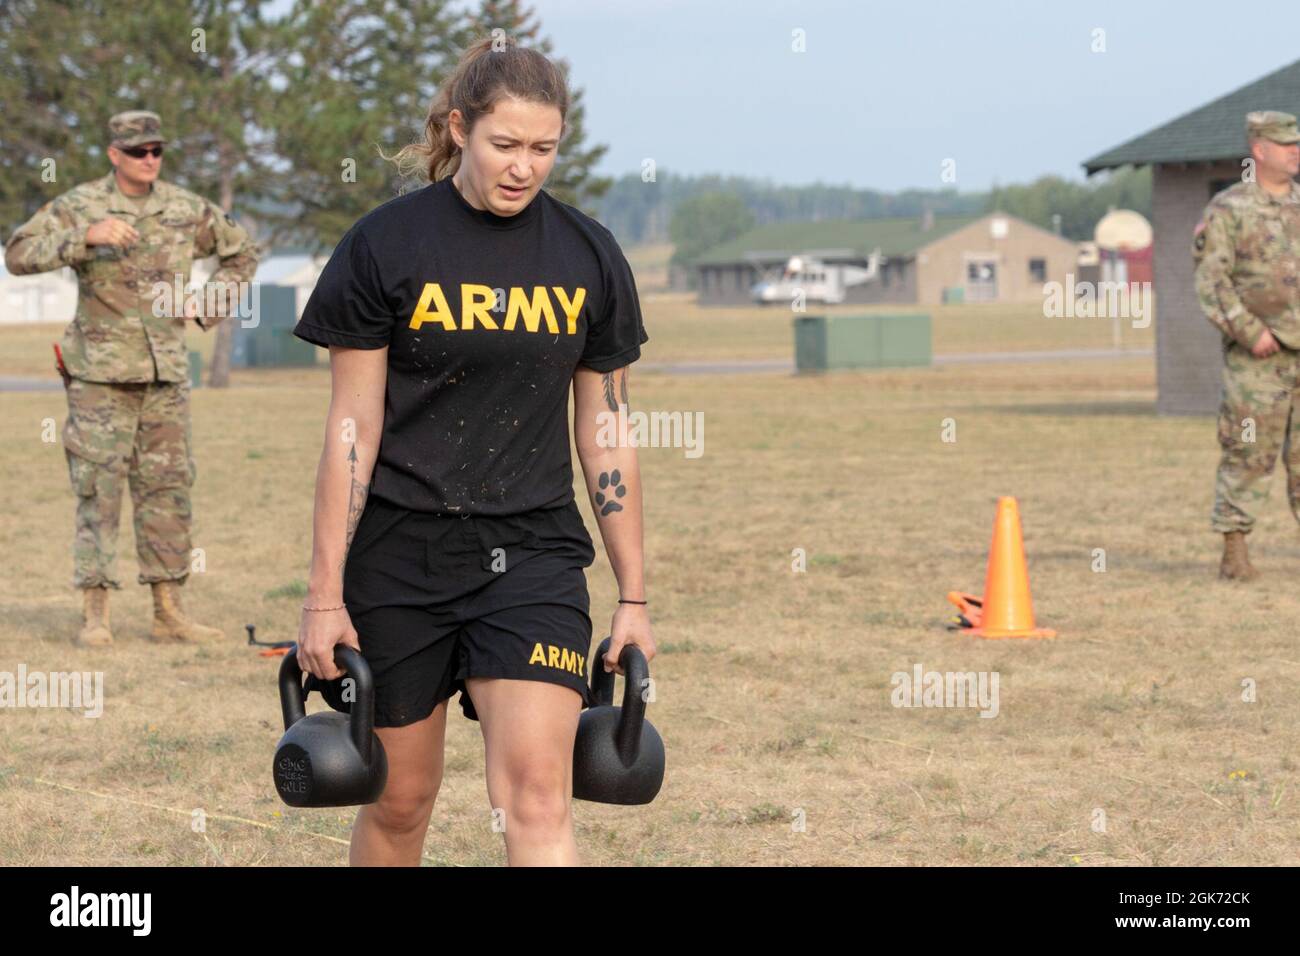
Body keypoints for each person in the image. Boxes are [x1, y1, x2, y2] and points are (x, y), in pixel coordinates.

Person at [292, 36, 655, 867]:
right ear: (459, 128)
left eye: (543, 148)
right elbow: (352, 427)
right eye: (504, 144)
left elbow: (605, 430)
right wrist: (322, 594)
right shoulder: (385, 244)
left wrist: (633, 597)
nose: (524, 167)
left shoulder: (588, 253)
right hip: (399, 555)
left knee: (536, 795)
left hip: (532, 555)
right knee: (399, 801)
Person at [3, 110, 260, 643]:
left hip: (165, 375)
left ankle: (169, 612)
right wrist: (83, 237)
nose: (149, 159)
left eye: (156, 150)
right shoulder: (80, 205)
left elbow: (242, 253)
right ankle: (95, 614)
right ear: (114, 154)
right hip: (99, 378)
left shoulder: (187, 209)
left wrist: (209, 302)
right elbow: (18, 253)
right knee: (97, 489)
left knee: (168, 490)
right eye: (138, 151)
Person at [1194, 110, 1300, 580]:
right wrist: (1249, 330)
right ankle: (1235, 552)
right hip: (1259, 358)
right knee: (1248, 451)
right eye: (1285, 144)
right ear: (1259, 150)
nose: (1296, 150)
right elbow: (1212, 281)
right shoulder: (1229, 210)